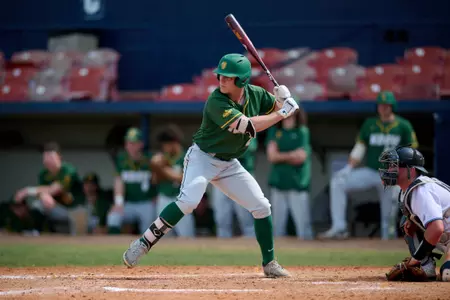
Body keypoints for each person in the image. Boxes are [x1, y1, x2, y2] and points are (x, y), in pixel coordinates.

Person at [122, 53, 299, 277]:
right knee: (188, 201)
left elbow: (277, 107)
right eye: (221, 75)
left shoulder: (256, 95)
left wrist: (284, 99)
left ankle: (270, 264)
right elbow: (248, 125)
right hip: (202, 158)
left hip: (229, 163)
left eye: (228, 77)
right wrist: (283, 111)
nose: (222, 80)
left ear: (242, 80)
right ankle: (144, 243)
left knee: (262, 206)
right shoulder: (216, 101)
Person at [318, 91, 419, 240]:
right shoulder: (370, 124)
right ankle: (339, 227)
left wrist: (404, 172)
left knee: (388, 213)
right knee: (338, 182)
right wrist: (349, 167)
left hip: (392, 174)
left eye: (387, 105)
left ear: (392, 106)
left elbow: (412, 151)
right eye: (381, 105)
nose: (383, 108)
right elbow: (360, 147)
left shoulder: (403, 125)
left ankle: (388, 237)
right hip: (372, 170)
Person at [380, 145, 450, 282]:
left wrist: (414, 259)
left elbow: (437, 228)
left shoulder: (421, 191)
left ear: (410, 171)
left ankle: (423, 262)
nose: (389, 170)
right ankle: (426, 266)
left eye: (394, 165)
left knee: (447, 274)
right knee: (408, 223)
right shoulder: (408, 191)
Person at [14, 142, 88, 235]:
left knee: (80, 235)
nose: (48, 160)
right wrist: (43, 195)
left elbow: (55, 189)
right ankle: (35, 232)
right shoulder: (43, 174)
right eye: (46, 157)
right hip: (58, 208)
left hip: (76, 209)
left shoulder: (68, 170)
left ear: (59, 158)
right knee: (38, 204)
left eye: (51, 157)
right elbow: (43, 191)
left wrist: (27, 191)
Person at [266, 107, 313, 239]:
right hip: (279, 182)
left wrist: (281, 156)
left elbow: (301, 157)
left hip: (297, 184)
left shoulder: (302, 131)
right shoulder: (275, 130)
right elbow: (272, 157)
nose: (288, 114)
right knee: (277, 228)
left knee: (303, 228)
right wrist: (291, 155)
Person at [107, 127, 157, 234]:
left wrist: (156, 197)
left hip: (146, 202)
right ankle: (112, 245)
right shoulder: (121, 159)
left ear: (141, 144)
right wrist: (118, 203)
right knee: (113, 217)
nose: (130, 146)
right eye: (128, 143)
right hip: (129, 203)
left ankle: (146, 249)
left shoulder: (149, 159)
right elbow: (118, 181)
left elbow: (156, 181)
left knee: (148, 230)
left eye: (133, 143)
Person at [153, 124, 195, 237]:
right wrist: (155, 167)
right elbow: (154, 181)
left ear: (174, 143)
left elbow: (184, 178)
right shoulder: (162, 157)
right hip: (164, 198)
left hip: (181, 200)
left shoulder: (187, 156)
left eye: (166, 144)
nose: (164, 148)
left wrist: (163, 168)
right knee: (162, 237)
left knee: (187, 236)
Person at [211, 137, 257, 238]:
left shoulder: (246, 124)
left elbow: (247, 148)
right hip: (220, 175)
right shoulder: (218, 125)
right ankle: (223, 250)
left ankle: (252, 248)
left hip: (241, 176)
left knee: (246, 219)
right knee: (221, 219)